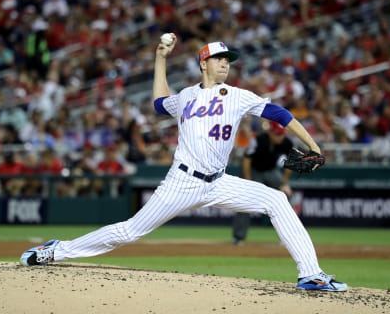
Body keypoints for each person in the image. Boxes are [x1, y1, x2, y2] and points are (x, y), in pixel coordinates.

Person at [19, 35, 347, 292]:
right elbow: (160, 104)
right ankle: (56, 250)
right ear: (204, 63)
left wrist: (313, 145)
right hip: (182, 182)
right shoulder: (188, 96)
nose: (225, 64)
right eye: (219, 58)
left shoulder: (237, 96)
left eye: (227, 60)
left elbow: (280, 115)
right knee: (130, 232)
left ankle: (311, 275)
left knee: (276, 199)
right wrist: (160, 59)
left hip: (219, 182)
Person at [232, 121, 293, 245]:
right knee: (245, 201)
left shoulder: (287, 143)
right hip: (254, 171)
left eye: (281, 134)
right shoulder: (258, 140)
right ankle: (238, 237)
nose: (279, 137)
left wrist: (284, 183)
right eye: (277, 134)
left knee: (285, 196)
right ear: (270, 132)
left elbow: (290, 165)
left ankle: (286, 238)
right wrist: (248, 181)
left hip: (271, 171)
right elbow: (247, 160)